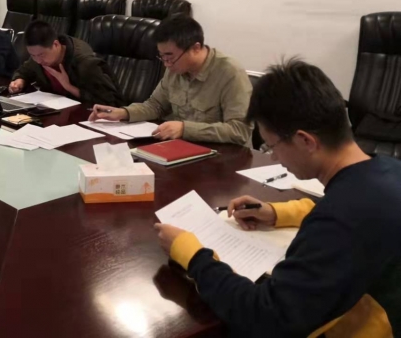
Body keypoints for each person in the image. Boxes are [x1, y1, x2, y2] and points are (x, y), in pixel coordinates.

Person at [154, 59, 401, 338]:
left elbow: (266, 318)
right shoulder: (387, 169)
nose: (273, 157)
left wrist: (194, 256)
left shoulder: (341, 221)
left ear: (305, 141)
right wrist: (277, 213)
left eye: (272, 146)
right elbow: (352, 206)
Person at [89, 14, 252, 145]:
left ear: (195, 48)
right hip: (182, 149)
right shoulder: (175, 67)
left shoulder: (229, 72)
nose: (166, 64)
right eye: (162, 57)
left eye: (170, 57)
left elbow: (240, 130)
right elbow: (156, 106)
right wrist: (123, 113)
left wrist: (185, 129)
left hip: (225, 157)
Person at [9, 20, 123, 106]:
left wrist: (69, 87)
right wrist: (19, 81)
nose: (38, 60)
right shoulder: (39, 56)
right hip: (55, 111)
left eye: (41, 55)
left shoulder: (85, 64)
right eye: (33, 55)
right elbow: (25, 71)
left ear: (56, 44)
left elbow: (110, 102)